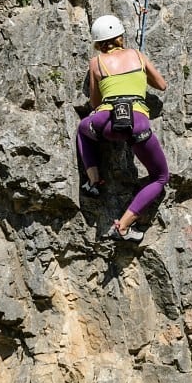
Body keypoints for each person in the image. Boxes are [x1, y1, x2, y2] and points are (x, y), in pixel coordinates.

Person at [77, 14, 169, 242]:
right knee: (160, 177)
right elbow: (162, 85)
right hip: (137, 125)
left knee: (82, 129)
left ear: (97, 42)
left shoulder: (96, 63)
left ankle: (94, 179)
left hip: (107, 123)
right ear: (120, 36)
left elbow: (96, 103)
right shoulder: (137, 55)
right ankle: (124, 224)